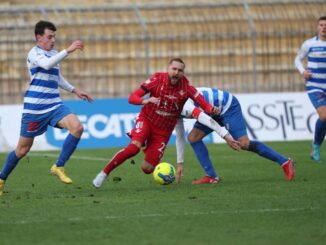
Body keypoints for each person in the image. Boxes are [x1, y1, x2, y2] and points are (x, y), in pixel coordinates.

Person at [92, 58, 218, 188]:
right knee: (134, 148)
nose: (176, 72)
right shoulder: (156, 81)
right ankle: (104, 173)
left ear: (183, 73)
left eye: (180, 70)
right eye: (174, 69)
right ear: (168, 69)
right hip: (147, 119)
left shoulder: (187, 88)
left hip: (163, 132)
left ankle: (145, 143)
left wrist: (212, 109)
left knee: (147, 169)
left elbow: (205, 105)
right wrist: (145, 101)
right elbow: (132, 97)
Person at [0, 20, 93, 196]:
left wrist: (75, 90)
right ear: (38, 37)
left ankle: (58, 166)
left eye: (54, 37)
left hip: (54, 104)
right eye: (49, 37)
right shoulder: (34, 54)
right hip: (35, 108)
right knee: (22, 149)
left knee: (77, 127)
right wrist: (69, 50)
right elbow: (46, 65)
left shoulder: (54, 53)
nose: (53, 40)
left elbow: (56, 77)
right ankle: (1, 178)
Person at [175, 87, 295, 184]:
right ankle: (211, 176)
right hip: (210, 112)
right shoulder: (172, 109)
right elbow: (180, 133)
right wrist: (180, 162)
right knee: (193, 138)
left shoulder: (183, 105)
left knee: (243, 144)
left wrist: (226, 136)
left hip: (227, 106)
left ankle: (284, 162)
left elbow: (206, 120)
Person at [295, 16, 326, 163]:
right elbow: (297, 59)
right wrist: (303, 72)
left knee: (324, 118)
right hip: (315, 85)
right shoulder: (309, 44)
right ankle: (316, 146)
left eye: (325, 25)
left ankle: (316, 147)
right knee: (324, 115)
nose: (323, 27)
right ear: (317, 27)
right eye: (321, 25)